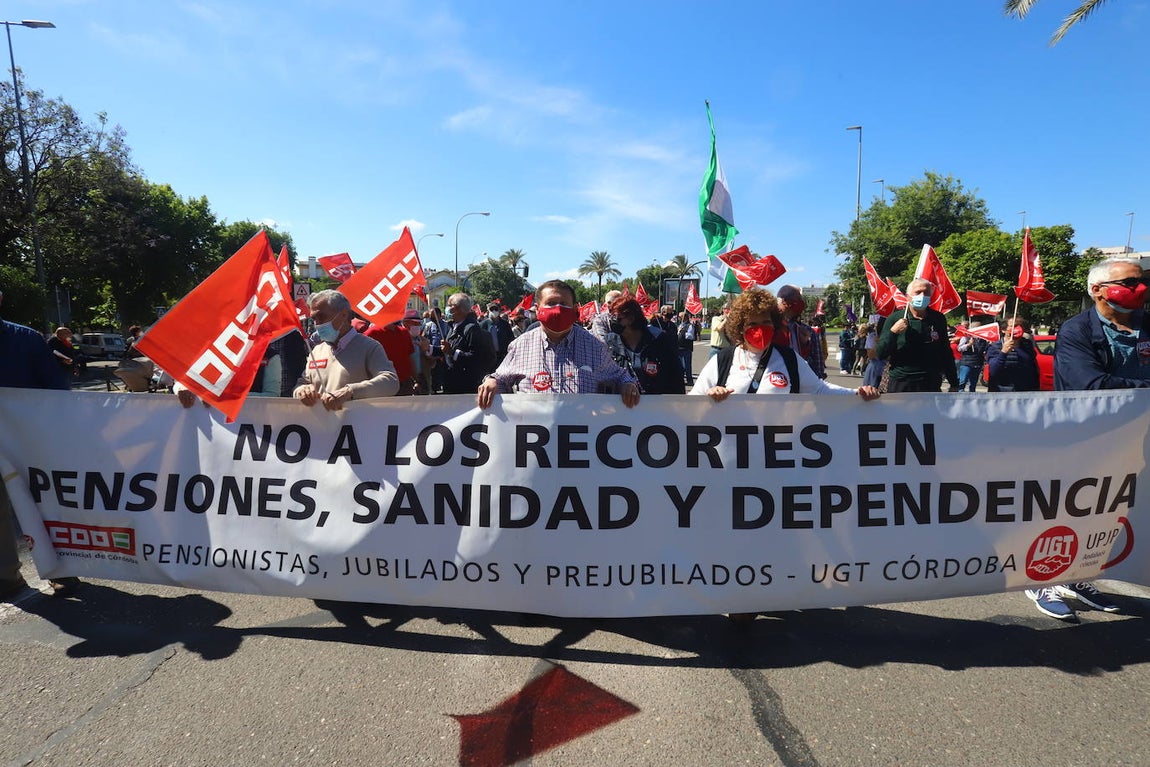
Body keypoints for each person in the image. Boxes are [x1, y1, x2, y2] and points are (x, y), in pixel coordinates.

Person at [1024, 258, 1147, 621]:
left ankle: (1077, 576)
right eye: (1129, 282)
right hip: (1083, 442)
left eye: (1142, 282)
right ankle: (1039, 579)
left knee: (1107, 516)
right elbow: (1090, 386)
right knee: (1064, 513)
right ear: (1097, 290)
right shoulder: (1076, 330)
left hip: (1135, 442)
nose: (1139, 288)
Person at [0, 289, 80, 600]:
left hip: (28, 442)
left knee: (43, 506)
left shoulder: (27, 338)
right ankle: (6, 577)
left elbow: (56, 390)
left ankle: (61, 570)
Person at [691, 288, 880, 401]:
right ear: (740, 328)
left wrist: (857, 392)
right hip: (734, 460)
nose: (761, 329)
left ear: (774, 323)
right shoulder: (722, 361)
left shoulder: (789, 359)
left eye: (766, 323)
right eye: (753, 324)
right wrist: (710, 395)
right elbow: (691, 404)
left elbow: (820, 390)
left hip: (777, 460)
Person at [477, 279, 640, 409]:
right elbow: (500, 378)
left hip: (582, 442)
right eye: (551, 303)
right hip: (533, 442)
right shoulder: (520, 345)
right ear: (537, 308)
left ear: (575, 309)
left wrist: (627, 385)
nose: (558, 309)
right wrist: (491, 382)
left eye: (564, 303)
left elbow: (620, 376)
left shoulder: (595, 347)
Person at [293, 290, 400, 409]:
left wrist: (350, 392)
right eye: (314, 318)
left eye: (322, 316)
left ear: (344, 314)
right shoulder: (317, 351)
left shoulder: (369, 347)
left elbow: (391, 382)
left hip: (357, 424)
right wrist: (302, 391)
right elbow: (303, 383)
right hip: (321, 425)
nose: (317, 323)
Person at [874, 279, 958, 393]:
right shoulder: (894, 318)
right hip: (902, 382)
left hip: (930, 382)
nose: (922, 296)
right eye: (918, 292)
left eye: (926, 293)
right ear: (907, 296)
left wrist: (954, 383)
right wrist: (893, 332)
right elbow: (880, 353)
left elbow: (945, 352)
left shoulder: (938, 318)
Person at [605, 298, 685, 394]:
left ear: (631, 318)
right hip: (621, 406)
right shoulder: (610, 342)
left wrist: (679, 406)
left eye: (618, 318)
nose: (613, 322)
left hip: (655, 404)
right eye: (612, 317)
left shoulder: (659, 340)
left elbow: (676, 377)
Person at [440, 293, 497, 395]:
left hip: (465, 386)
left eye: (449, 305)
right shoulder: (453, 326)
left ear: (458, 309)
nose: (447, 308)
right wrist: (430, 348)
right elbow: (446, 350)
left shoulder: (471, 329)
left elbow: (475, 358)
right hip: (451, 383)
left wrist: (452, 352)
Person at [776, 285, 826, 379]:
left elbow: (818, 365)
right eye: (798, 299)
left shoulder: (808, 332)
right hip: (777, 382)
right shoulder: (770, 328)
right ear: (784, 301)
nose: (801, 303)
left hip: (803, 384)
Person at [985, 318, 1040, 392]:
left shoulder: (1027, 345)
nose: (1018, 328)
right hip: (1003, 393)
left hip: (1024, 392)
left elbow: (1033, 368)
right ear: (1003, 330)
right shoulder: (995, 347)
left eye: (1020, 326)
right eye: (1014, 326)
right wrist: (1003, 352)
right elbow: (993, 371)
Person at [955, 324, 989, 392]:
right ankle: (960, 397)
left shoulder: (983, 339)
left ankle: (971, 398)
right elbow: (959, 348)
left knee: (973, 383)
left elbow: (985, 350)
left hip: (977, 364)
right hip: (966, 364)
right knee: (962, 382)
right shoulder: (966, 337)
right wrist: (969, 344)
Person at [676, 311, 697, 385]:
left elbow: (691, 336)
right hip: (679, 348)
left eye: (680, 317)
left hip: (686, 348)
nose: (679, 318)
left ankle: (689, 380)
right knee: (680, 365)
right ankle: (680, 380)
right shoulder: (680, 325)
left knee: (687, 365)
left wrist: (683, 332)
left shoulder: (689, 325)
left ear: (684, 317)